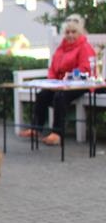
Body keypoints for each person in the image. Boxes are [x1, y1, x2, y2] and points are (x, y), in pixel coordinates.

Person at [18, 14, 96, 145]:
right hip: (60, 84)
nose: (70, 35)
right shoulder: (61, 48)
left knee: (60, 96)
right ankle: (36, 128)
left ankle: (57, 133)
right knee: (43, 95)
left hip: (79, 84)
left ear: (80, 33)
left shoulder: (84, 47)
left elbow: (84, 69)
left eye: (73, 32)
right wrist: (51, 82)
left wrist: (67, 79)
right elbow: (53, 68)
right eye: (67, 32)